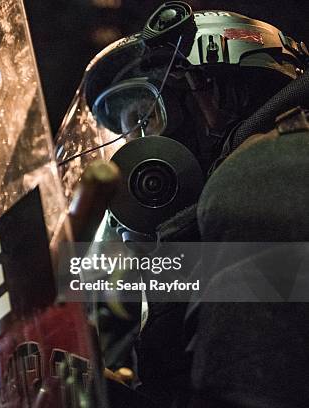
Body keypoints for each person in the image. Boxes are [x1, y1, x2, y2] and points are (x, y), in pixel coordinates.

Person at [54, 2, 308, 407]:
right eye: (125, 132)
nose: (130, 151)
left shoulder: (265, 176)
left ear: (212, 97)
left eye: (144, 119)